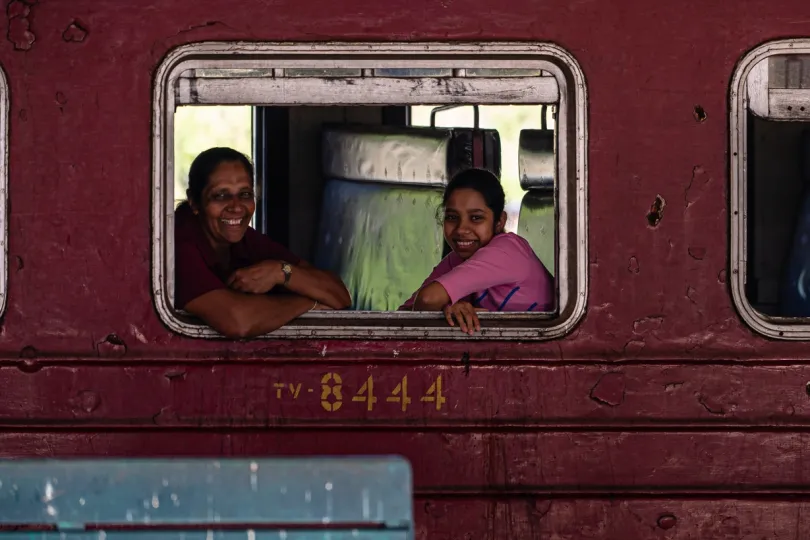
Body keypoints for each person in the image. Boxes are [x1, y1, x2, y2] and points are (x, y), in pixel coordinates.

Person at [174, 147, 351, 338]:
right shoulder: (178, 243)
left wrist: (281, 272)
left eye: (245, 194)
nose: (236, 207)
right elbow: (238, 322)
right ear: (194, 202)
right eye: (221, 196)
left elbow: (339, 295)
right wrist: (310, 303)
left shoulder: (245, 239)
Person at [399, 168, 554, 335]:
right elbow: (405, 313)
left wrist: (441, 305)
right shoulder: (458, 259)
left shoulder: (508, 251)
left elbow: (428, 300)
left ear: (499, 221)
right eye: (452, 217)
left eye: (476, 218)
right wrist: (447, 308)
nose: (461, 229)